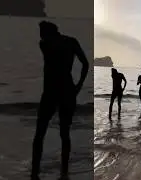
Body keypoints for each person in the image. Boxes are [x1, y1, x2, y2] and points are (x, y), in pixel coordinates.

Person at [31, 21, 89, 180]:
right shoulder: (71, 42)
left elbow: (51, 52)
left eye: (41, 32)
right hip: (68, 91)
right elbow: (85, 64)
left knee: (40, 133)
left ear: (47, 32)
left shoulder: (44, 44)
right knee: (65, 133)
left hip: (50, 92)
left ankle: (34, 172)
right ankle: (64, 171)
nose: (40, 35)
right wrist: (78, 86)